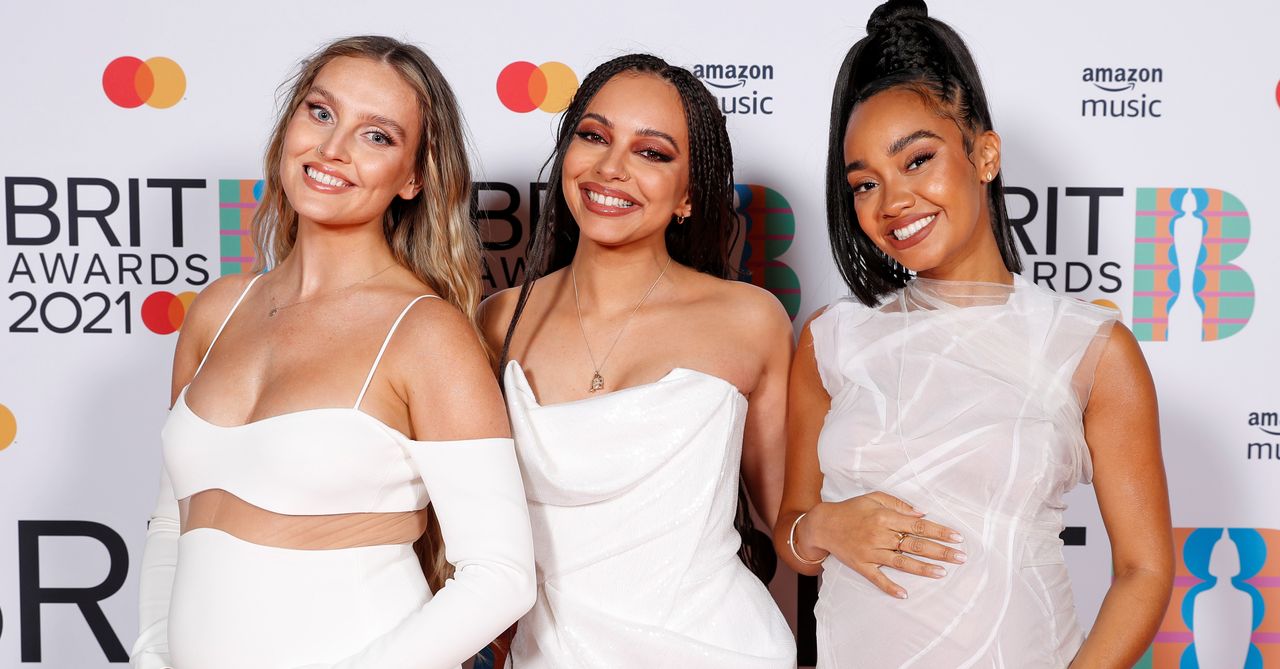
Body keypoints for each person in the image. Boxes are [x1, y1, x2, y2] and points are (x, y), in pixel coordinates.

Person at [775, 2, 1174, 666]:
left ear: (984, 154)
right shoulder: (830, 338)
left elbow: (1144, 570)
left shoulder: (1089, 347)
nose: (892, 200)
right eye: (864, 183)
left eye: (917, 160)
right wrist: (821, 525)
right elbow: (792, 531)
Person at [130, 36, 535, 669]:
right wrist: (152, 654)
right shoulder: (216, 312)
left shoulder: (425, 334)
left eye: (377, 137)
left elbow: (502, 574)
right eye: (320, 113)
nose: (332, 150)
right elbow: (169, 524)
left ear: (416, 177)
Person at [480, 54, 797, 668]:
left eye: (652, 152)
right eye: (594, 137)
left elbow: (791, 522)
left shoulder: (751, 321)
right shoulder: (498, 321)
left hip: (719, 650)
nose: (612, 167)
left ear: (688, 195)